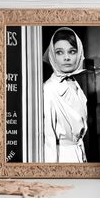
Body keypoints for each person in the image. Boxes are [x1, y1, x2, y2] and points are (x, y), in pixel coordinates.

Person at [43, 27, 88, 163]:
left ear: (79, 53)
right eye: (59, 52)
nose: (66, 57)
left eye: (72, 51)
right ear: (52, 55)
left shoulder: (75, 85)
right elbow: (48, 137)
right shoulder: (49, 88)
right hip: (61, 157)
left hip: (79, 154)